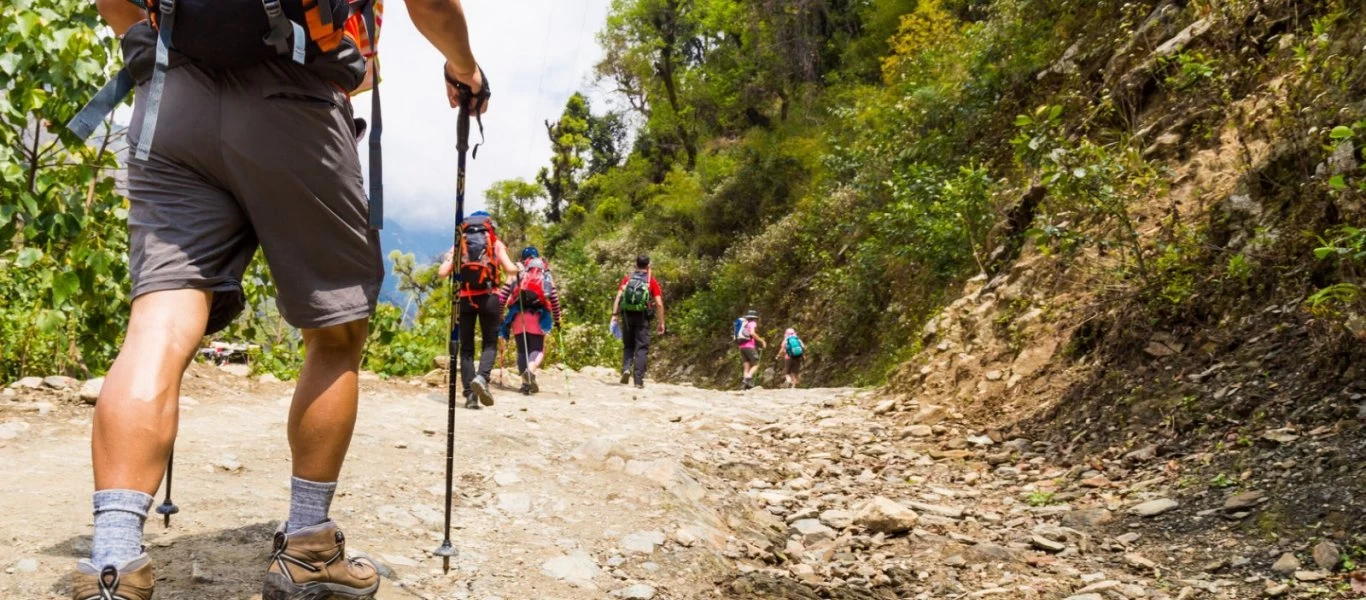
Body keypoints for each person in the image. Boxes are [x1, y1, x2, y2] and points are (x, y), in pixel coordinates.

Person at [77, 0, 487, 598]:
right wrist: (463, 66)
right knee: (336, 330)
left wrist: (146, 43)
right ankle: (309, 549)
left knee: (158, 326)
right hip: (294, 101)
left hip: (171, 101)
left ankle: (112, 565)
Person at [438, 211, 521, 410]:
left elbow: (442, 273)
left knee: (466, 349)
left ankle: (469, 396)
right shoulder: (494, 242)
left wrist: (449, 258)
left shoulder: (459, 243)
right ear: (488, 225)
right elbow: (510, 269)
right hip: (489, 297)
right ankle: (482, 378)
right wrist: (517, 268)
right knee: (489, 343)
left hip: (464, 299)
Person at [498, 247, 562, 395]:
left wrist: (500, 314)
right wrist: (558, 319)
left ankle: (525, 384)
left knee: (522, 350)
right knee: (537, 349)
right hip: (538, 316)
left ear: (523, 258)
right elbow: (554, 299)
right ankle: (530, 371)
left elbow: (503, 296)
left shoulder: (516, 271)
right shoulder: (545, 273)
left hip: (518, 316)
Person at [611, 255, 665, 389]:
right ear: (648, 266)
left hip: (626, 316)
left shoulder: (627, 279)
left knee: (628, 345)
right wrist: (661, 322)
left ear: (636, 264)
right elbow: (658, 303)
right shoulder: (650, 281)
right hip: (642, 317)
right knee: (642, 347)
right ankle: (638, 381)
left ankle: (625, 369)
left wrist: (614, 315)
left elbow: (618, 297)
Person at [736, 310, 766, 390]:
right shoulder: (752, 323)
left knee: (746, 365)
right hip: (749, 346)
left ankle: (745, 384)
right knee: (756, 364)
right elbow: (752, 333)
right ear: (754, 318)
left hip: (741, 346)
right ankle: (747, 380)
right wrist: (761, 340)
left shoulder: (744, 324)